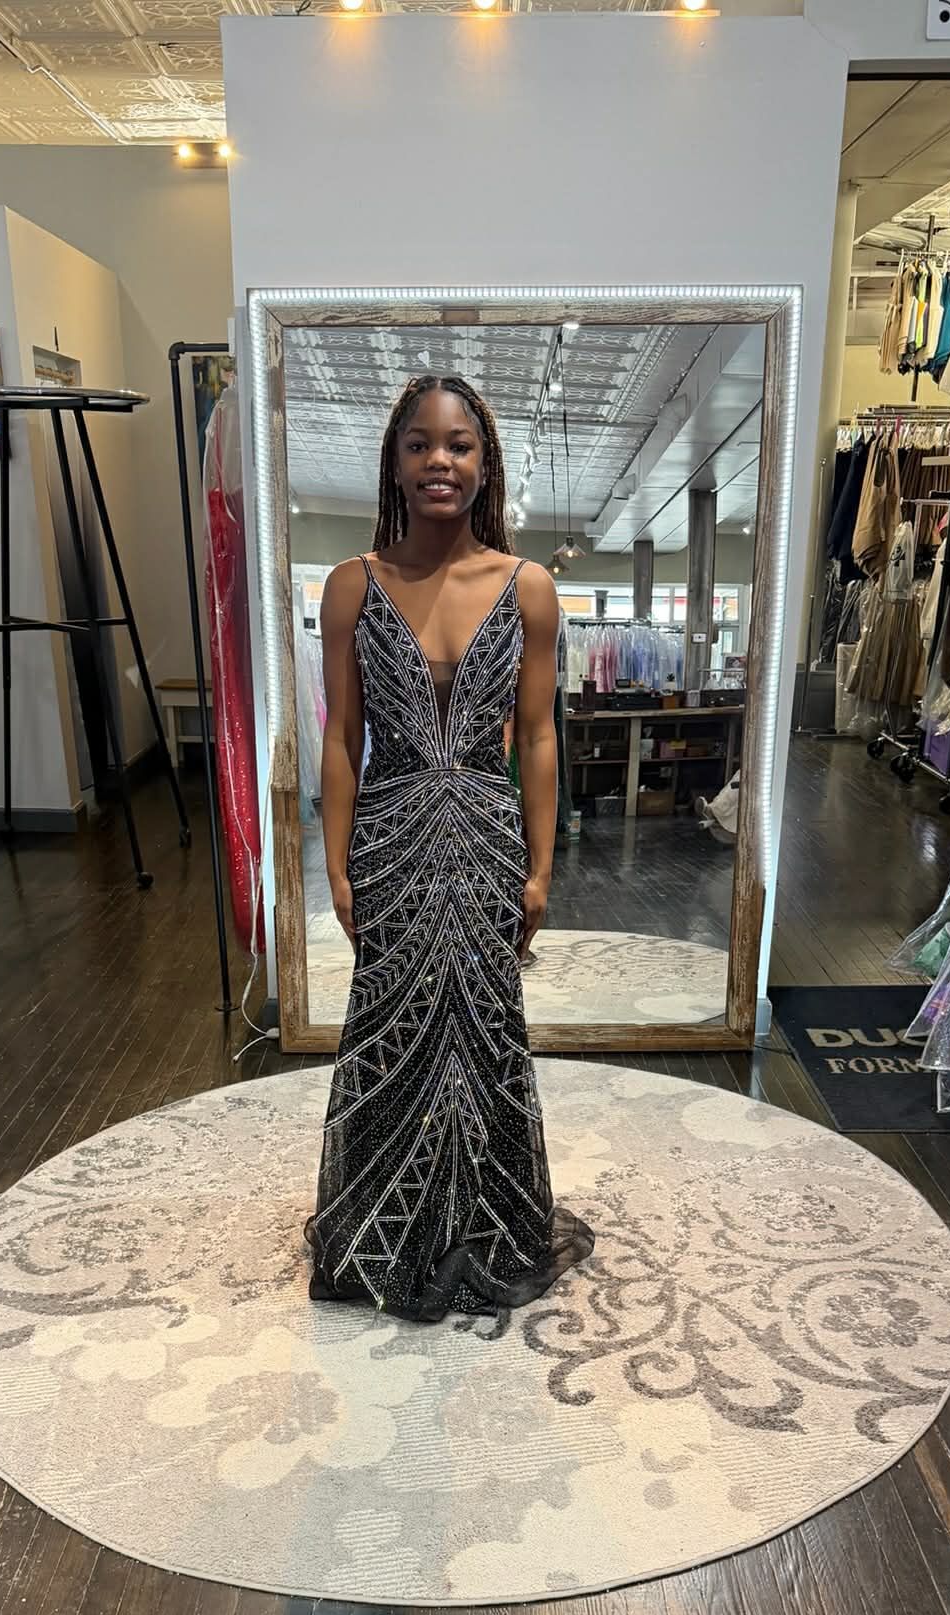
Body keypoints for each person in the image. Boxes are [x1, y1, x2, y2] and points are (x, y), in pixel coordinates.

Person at [303, 374, 595, 1324]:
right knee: (389, 1030)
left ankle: (488, 1221)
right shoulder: (352, 586)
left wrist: (543, 867)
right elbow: (340, 738)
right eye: (421, 444)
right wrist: (338, 863)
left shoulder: (529, 589)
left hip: (483, 833)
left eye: (460, 444)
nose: (440, 461)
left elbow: (539, 735)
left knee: (482, 1025)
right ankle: (384, 1223)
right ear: (395, 461)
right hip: (388, 833)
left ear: (485, 462)